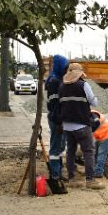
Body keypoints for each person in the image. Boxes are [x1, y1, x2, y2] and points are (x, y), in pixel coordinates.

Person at [58, 63, 104, 190]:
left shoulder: (61, 86)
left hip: (67, 126)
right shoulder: (83, 85)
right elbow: (94, 102)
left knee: (70, 152)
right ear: (79, 74)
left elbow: (60, 105)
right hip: (82, 125)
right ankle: (90, 181)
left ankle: (72, 179)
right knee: (88, 152)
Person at [45, 54, 69, 194]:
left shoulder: (59, 79)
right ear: (60, 66)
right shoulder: (54, 82)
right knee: (55, 148)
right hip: (56, 119)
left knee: (61, 146)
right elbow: (54, 105)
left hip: (61, 119)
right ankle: (54, 176)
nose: (67, 70)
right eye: (65, 67)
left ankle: (58, 172)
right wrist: (59, 122)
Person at [91, 110, 108, 179]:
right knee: (95, 152)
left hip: (107, 134)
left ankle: (98, 172)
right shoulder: (88, 114)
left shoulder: (92, 115)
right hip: (99, 135)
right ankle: (94, 169)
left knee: (101, 153)